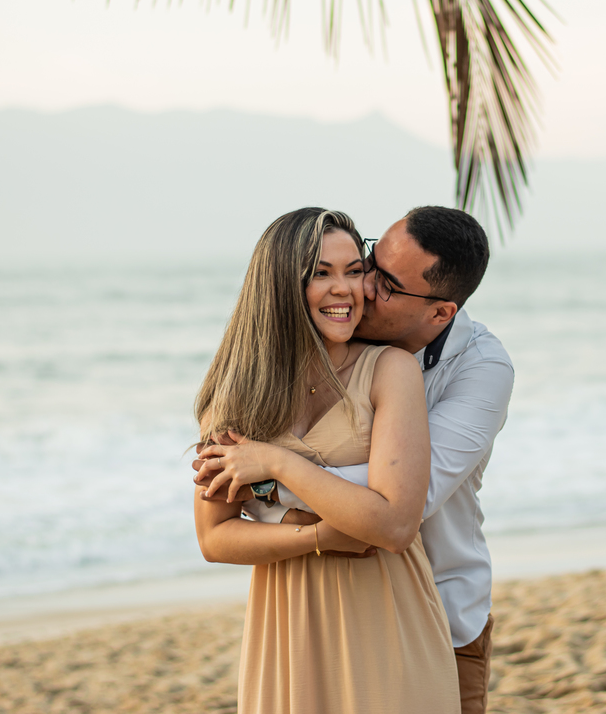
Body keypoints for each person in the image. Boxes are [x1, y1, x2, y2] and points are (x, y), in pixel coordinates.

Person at [199, 206, 514, 714]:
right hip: (296, 622)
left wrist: (269, 477)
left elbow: (403, 505)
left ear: (440, 313)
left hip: (434, 612)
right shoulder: (275, 369)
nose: (361, 287)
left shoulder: (478, 370)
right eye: (368, 262)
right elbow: (214, 534)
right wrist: (315, 528)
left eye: (383, 283)